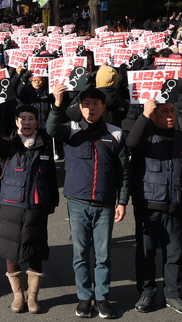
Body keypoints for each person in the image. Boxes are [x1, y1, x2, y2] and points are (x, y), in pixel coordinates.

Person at [46, 86, 129, 319]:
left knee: (103, 255)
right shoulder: (71, 130)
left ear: (103, 107)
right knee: (80, 254)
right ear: (80, 107)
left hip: (104, 203)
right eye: (86, 104)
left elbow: (124, 171)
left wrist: (122, 201)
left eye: (95, 104)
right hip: (76, 201)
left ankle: (102, 298)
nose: (90, 108)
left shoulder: (115, 133)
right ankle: (84, 297)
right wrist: (57, 104)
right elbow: (51, 128)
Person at [127, 100, 182, 315]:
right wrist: (144, 116)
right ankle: (147, 293)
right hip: (148, 207)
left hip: (176, 207)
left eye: (172, 111)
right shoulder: (145, 135)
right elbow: (131, 143)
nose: (170, 115)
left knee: (174, 254)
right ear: (153, 114)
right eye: (164, 111)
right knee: (146, 253)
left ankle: (173, 295)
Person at [0, 103, 58, 314]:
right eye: (22, 119)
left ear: (37, 121)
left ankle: (33, 297)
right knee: (11, 252)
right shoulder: (8, 145)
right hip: (11, 205)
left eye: (31, 119)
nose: (26, 122)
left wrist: (52, 202)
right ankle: (18, 296)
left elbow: (51, 177)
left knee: (35, 251)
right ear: (16, 121)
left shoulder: (45, 144)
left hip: (37, 205)